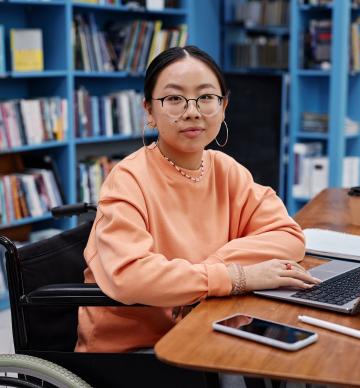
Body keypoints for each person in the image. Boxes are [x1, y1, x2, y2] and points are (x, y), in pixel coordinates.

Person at [75, 45, 320, 354]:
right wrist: (234, 277)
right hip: (135, 350)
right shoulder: (127, 179)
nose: (192, 111)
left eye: (206, 97)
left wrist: (209, 274)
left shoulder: (225, 169)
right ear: (149, 110)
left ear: (224, 106)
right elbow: (131, 277)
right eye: (174, 99)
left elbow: (289, 237)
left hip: (206, 325)